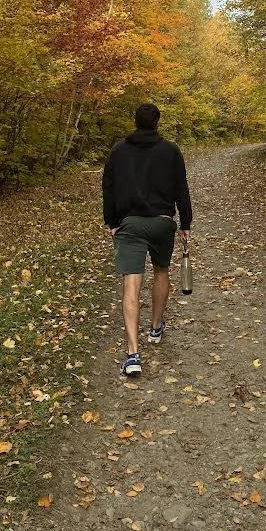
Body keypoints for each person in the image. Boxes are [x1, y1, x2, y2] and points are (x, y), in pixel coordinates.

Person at [102, 103, 193, 376]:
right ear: (157, 122)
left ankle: (132, 355)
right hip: (162, 223)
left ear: (135, 121)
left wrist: (112, 222)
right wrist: (185, 222)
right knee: (161, 270)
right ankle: (155, 328)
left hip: (129, 224)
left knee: (131, 283)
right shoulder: (170, 150)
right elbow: (181, 187)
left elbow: (108, 186)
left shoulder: (118, 150)